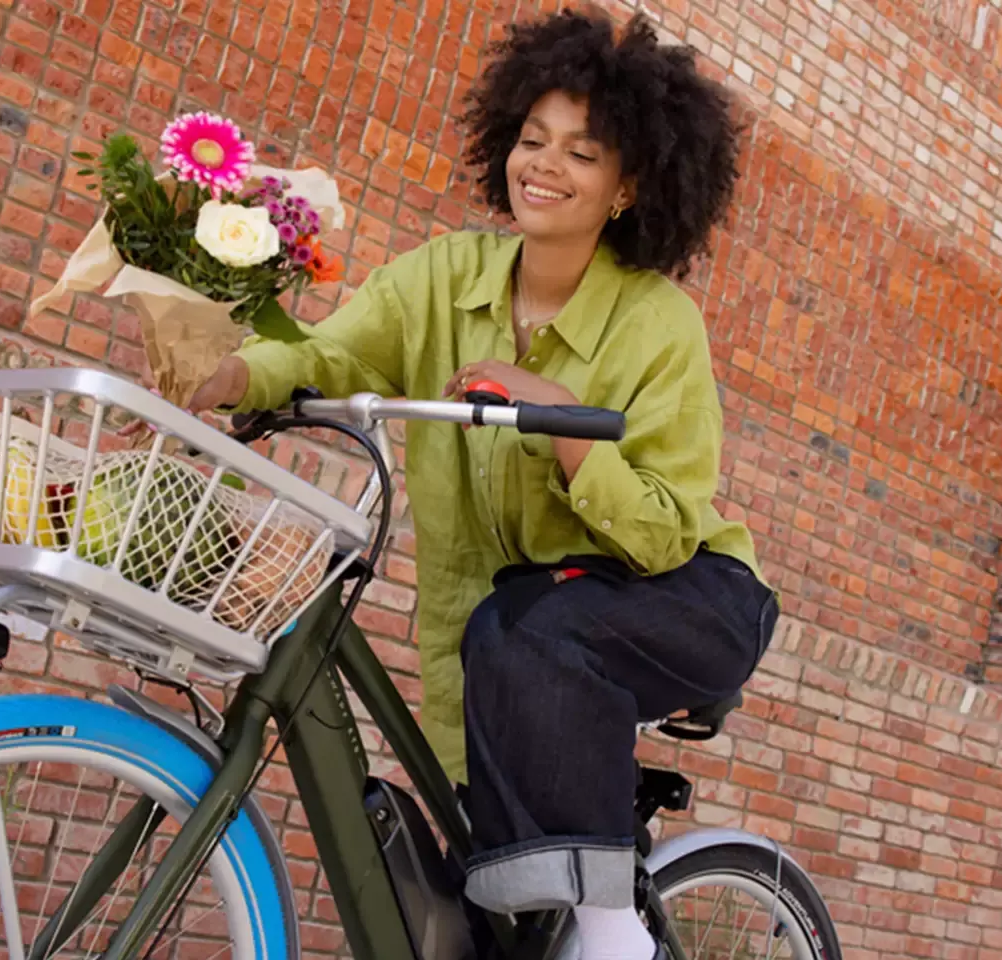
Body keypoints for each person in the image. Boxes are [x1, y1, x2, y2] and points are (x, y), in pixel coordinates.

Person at [180, 9, 776, 959]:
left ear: (627, 187)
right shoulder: (446, 279)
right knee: (484, 924)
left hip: (686, 599)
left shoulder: (659, 324)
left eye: (583, 152)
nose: (545, 165)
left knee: (521, 620)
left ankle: (616, 931)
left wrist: (563, 423)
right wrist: (223, 376)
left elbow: (664, 532)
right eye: (532, 139)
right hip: (512, 660)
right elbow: (331, 353)